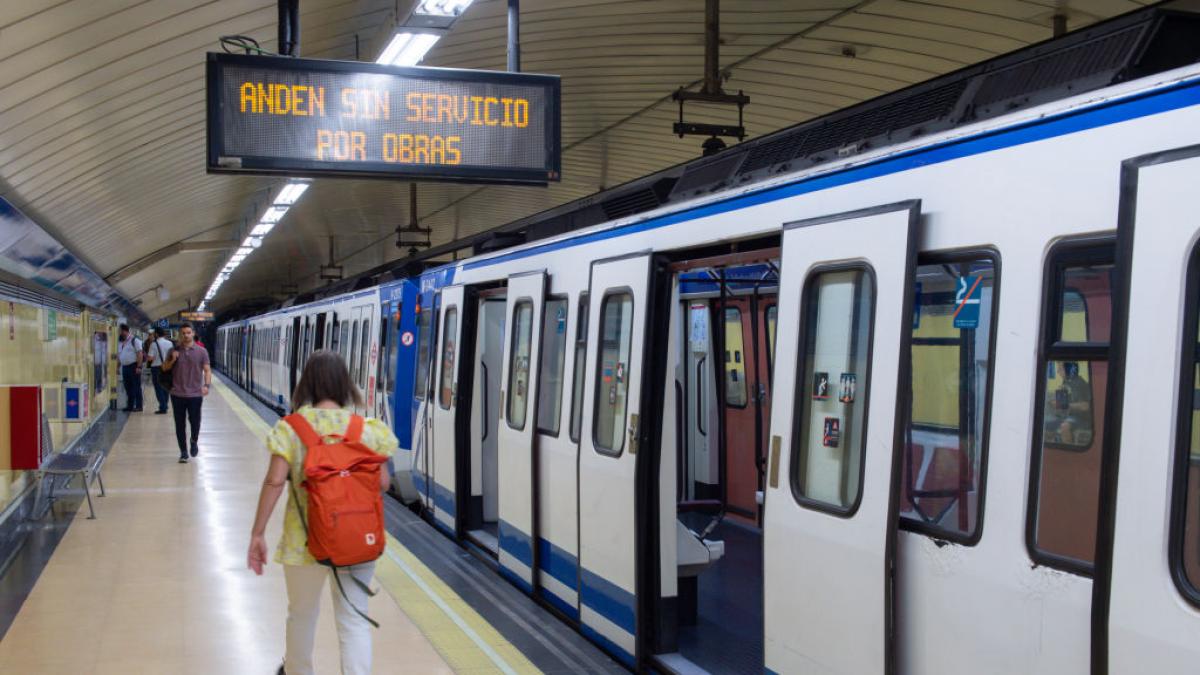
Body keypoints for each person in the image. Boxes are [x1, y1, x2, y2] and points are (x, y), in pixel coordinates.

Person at [247, 351, 398, 675]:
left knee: (301, 615)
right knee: (355, 619)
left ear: (307, 384)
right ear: (345, 384)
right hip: (357, 540)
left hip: (304, 543)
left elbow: (275, 481)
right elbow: (383, 483)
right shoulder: (367, 430)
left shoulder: (291, 428)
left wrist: (257, 534)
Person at [162, 323, 210, 463]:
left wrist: (206, 385)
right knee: (179, 424)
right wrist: (172, 359)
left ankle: (193, 440)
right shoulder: (173, 350)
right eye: (183, 333)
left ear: (193, 333)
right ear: (179, 334)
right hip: (177, 394)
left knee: (195, 422)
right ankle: (183, 452)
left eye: (188, 332)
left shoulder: (202, 351)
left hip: (195, 394)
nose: (186, 335)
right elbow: (164, 368)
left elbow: (207, 370)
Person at [147, 327, 174, 414]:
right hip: (168, 367)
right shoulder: (170, 343)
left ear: (157, 334)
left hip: (157, 368)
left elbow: (150, 358)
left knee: (158, 388)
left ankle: (163, 407)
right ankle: (165, 404)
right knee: (166, 386)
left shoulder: (153, 344)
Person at [117, 324, 144, 412]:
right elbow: (120, 355)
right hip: (125, 367)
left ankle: (139, 406)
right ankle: (130, 405)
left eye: (120, 330)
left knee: (136, 386)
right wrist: (118, 366)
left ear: (125, 331)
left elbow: (140, 353)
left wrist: (139, 366)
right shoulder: (121, 341)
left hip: (134, 366)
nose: (119, 332)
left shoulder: (135, 340)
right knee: (128, 387)